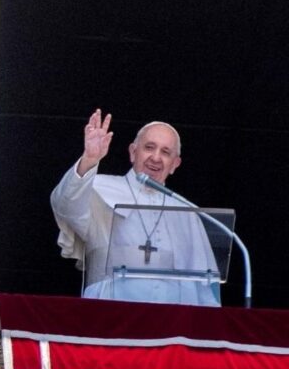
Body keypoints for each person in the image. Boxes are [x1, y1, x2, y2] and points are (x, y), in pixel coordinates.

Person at [51, 109, 220, 306]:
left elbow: (203, 287)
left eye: (165, 152)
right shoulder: (99, 188)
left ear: (175, 164)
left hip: (169, 323)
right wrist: (89, 159)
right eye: (149, 147)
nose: (156, 158)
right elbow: (66, 205)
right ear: (133, 152)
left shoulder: (187, 212)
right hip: (109, 314)